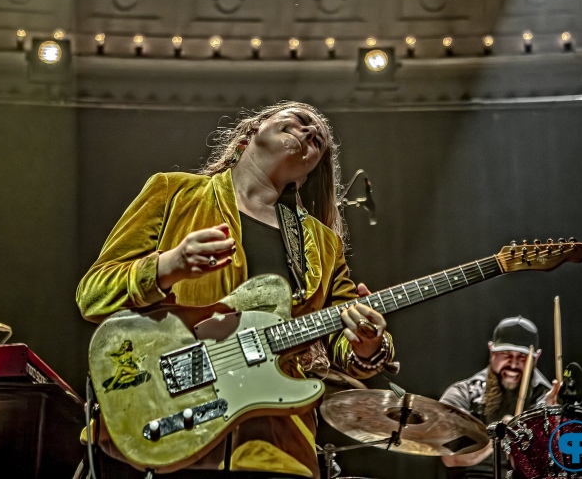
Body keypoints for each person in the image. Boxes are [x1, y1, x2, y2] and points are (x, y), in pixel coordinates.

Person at [76, 101, 395, 479]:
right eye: (299, 121)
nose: (311, 132)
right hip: (162, 418)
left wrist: (367, 344)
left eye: (319, 141)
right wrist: (167, 266)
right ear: (249, 134)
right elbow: (92, 295)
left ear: (306, 174)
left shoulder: (323, 244)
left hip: (273, 448)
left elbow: (342, 339)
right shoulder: (174, 193)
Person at [439, 316, 560, 479]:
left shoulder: (546, 398)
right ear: (491, 350)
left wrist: (553, 424)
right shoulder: (462, 394)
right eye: (505, 354)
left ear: (536, 357)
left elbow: (550, 468)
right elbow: (451, 459)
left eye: (523, 357)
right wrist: (498, 438)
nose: (514, 364)